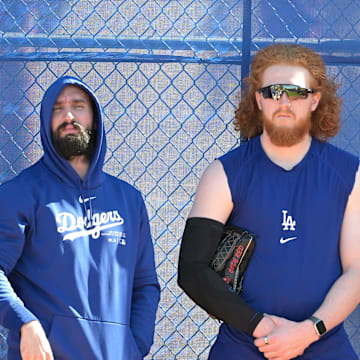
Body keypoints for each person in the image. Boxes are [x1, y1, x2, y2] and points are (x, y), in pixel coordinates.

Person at [178, 44, 360, 359]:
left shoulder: (349, 173)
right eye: (274, 92)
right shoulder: (224, 173)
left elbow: (356, 269)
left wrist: (307, 331)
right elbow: (191, 270)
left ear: (315, 100)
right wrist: (261, 327)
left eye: (297, 92)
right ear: (259, 99)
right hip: (245, 343)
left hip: (324, 343)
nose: (285, 102)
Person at [0, 76, 160, 359]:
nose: (68, 116)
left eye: (78, 106)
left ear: (95, 118)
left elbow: (145, 284)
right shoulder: (20, 194)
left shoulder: (128, 200)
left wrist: (136, 345)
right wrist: (26, 323)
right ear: (45, 121)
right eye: (57, 109)